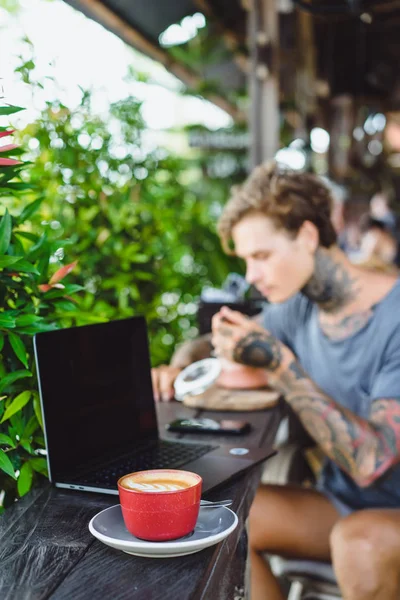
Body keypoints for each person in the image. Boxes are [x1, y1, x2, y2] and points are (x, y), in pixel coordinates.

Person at [152, 161, 400, 600]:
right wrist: (182, 363)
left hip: (377, 513)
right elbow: (215, 342)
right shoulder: (300, 307)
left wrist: (280, 366)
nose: (251, 275)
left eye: (261, 256)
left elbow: (370, 461)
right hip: (346, 505)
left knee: (358, 543)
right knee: (229, 517)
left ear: (306, 236)